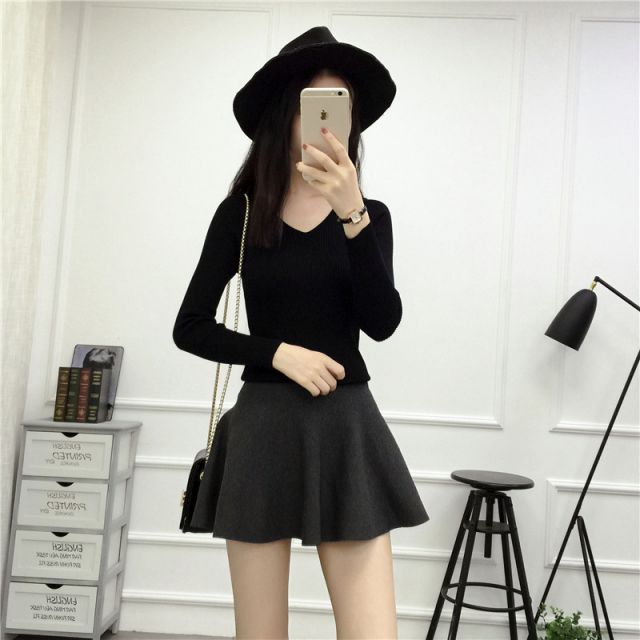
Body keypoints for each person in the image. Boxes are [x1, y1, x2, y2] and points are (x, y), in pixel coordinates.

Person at [172, 25, 430, 640]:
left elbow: (383, 323)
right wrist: (278, 354)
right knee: (260, 633)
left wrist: (351, 213)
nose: (327, 123)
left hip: (346, 428)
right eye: (314, 105)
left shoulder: (370, 217)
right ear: (285, 114)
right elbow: (190, 326)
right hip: (261, 430)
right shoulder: (242, 213)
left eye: (341, 107)